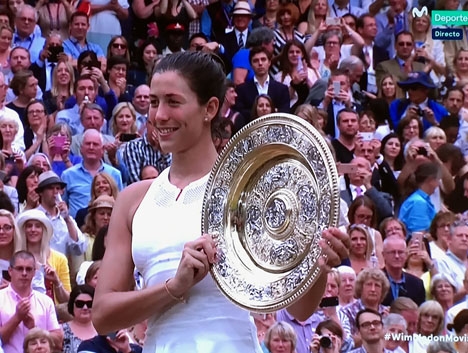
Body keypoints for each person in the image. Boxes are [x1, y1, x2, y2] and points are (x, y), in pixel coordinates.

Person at [92, 52, 350, 352]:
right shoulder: (133, 199)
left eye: (173, 102)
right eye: (153, 102)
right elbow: (103, 316)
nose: (159, 115)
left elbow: (300, 310)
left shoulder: (251, 192)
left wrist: (320, 266)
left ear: (210, 108)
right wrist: (174, 288)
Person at [0, 251, 63, 353]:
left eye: (28, 269)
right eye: (20, 268)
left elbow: (58, 343)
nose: (24, 273)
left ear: (34, 272)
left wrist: (34, 328)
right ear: (10, 271)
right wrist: (17, 318)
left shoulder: (46, 301)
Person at [16, 209, 71, 303]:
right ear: (24, 230)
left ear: (43, 230)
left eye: (37, 226)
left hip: (52, 313)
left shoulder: (59, 259)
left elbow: (67, 301)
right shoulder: (15, 257)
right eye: (29, 226)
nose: (33, 230)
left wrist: (56, 282)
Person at [62, 285, 97, 353]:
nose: (85, 307)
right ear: (72, 305)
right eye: (80, 304)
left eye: (89, 304)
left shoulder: (104, 331)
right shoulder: (61, 331)